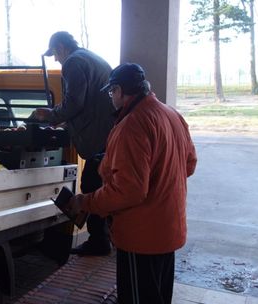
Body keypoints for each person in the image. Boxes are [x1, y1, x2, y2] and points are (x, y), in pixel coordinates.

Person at [66, 63, 198, 303]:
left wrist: (85, 202)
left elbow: (128, 191)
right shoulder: (171, 114)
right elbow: (188, 164)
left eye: (110, 93)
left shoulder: (132, 125)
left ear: (119, 90)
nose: (110, 98)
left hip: (142, 237)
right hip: (168, 229)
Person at [33, 31, 115, 256]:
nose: (56, 59)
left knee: (91, 185)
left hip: (98, 137)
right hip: (109, 133)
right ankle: (107, 237)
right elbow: (89, 103)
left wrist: (50, 115)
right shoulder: (90, 57)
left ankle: (99, 241)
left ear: (61, 47)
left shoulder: (73, 62)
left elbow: (74, 102)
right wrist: (67, 125)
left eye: (54, 54)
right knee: (103, 185)